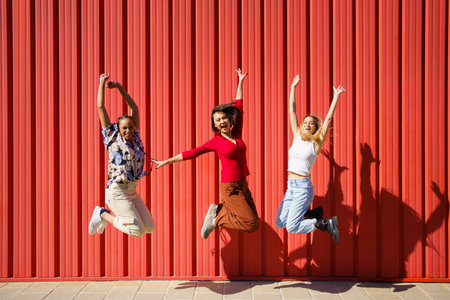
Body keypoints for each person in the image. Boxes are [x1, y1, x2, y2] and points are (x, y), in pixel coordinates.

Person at [152, 69, 259, 239]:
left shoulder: (236, 133)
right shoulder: (216, 142)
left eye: (224, 118)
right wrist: (166, 161)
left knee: (254, 224)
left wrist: (240, 81)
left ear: (229, 119)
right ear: (215, 125)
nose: (222, 121)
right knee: (250, 222)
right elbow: (191, 153)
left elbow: (239, 107)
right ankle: (216, 218)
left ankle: (218, 211)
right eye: (218, 120)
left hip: (242, 184)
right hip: (230, 188)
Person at [275, 75, 346, 244]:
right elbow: (292, 110)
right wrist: (293, 87)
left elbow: (328, 120)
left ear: (315, 128)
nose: (307, 124)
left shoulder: (315, 144)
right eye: (305, 122)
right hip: (290, 187)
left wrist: (336, 97)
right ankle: (311, 214)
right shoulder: (297, 136)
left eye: (311, 124)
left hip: (303, 188)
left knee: (291, 227)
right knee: (280, 222)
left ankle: (323, 223)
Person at [88, 73, 155, 237]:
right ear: (118, 128)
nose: (128, 131)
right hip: (117, 190)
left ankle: (105, 217)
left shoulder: (136, 137)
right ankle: (102, 214)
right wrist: (101, 84)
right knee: (137, 231)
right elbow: (100, 108)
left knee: (149, 227)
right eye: (124, 128)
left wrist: (119, 88)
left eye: (130, 127)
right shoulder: (112, 137)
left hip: (132, 189)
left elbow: (135, 108)